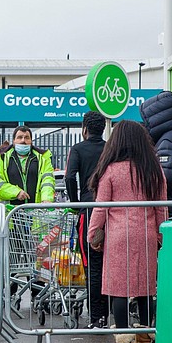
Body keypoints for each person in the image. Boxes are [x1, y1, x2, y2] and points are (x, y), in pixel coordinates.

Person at [87, 120, 167, 343]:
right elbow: (161, 208)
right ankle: (144, 340)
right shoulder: (154, 170)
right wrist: (161, 235)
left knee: (118, 288)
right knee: (145, 288)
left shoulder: (111, 171)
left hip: (118, 236)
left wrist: (93, 234)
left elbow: (100, 208)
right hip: (147, 234)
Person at [65, 112, 109, 329]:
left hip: (89, 209)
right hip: (111, 209)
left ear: (84, 129)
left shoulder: (78, 149)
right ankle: (108, 313)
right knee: (110, 263)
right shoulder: (110, 148)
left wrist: (76, 203)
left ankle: (96, 317)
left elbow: (69, 177)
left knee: (91, 263)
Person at [0, 125, 55, 205]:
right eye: (20, 137)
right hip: (9, 213)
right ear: (14, 141)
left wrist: (46, 199)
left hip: (36, 213)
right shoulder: (1, 158)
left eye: (27, 137)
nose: (23, 140)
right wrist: (16, 192)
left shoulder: (43, 158)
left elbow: (48, 180)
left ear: (31, 141)